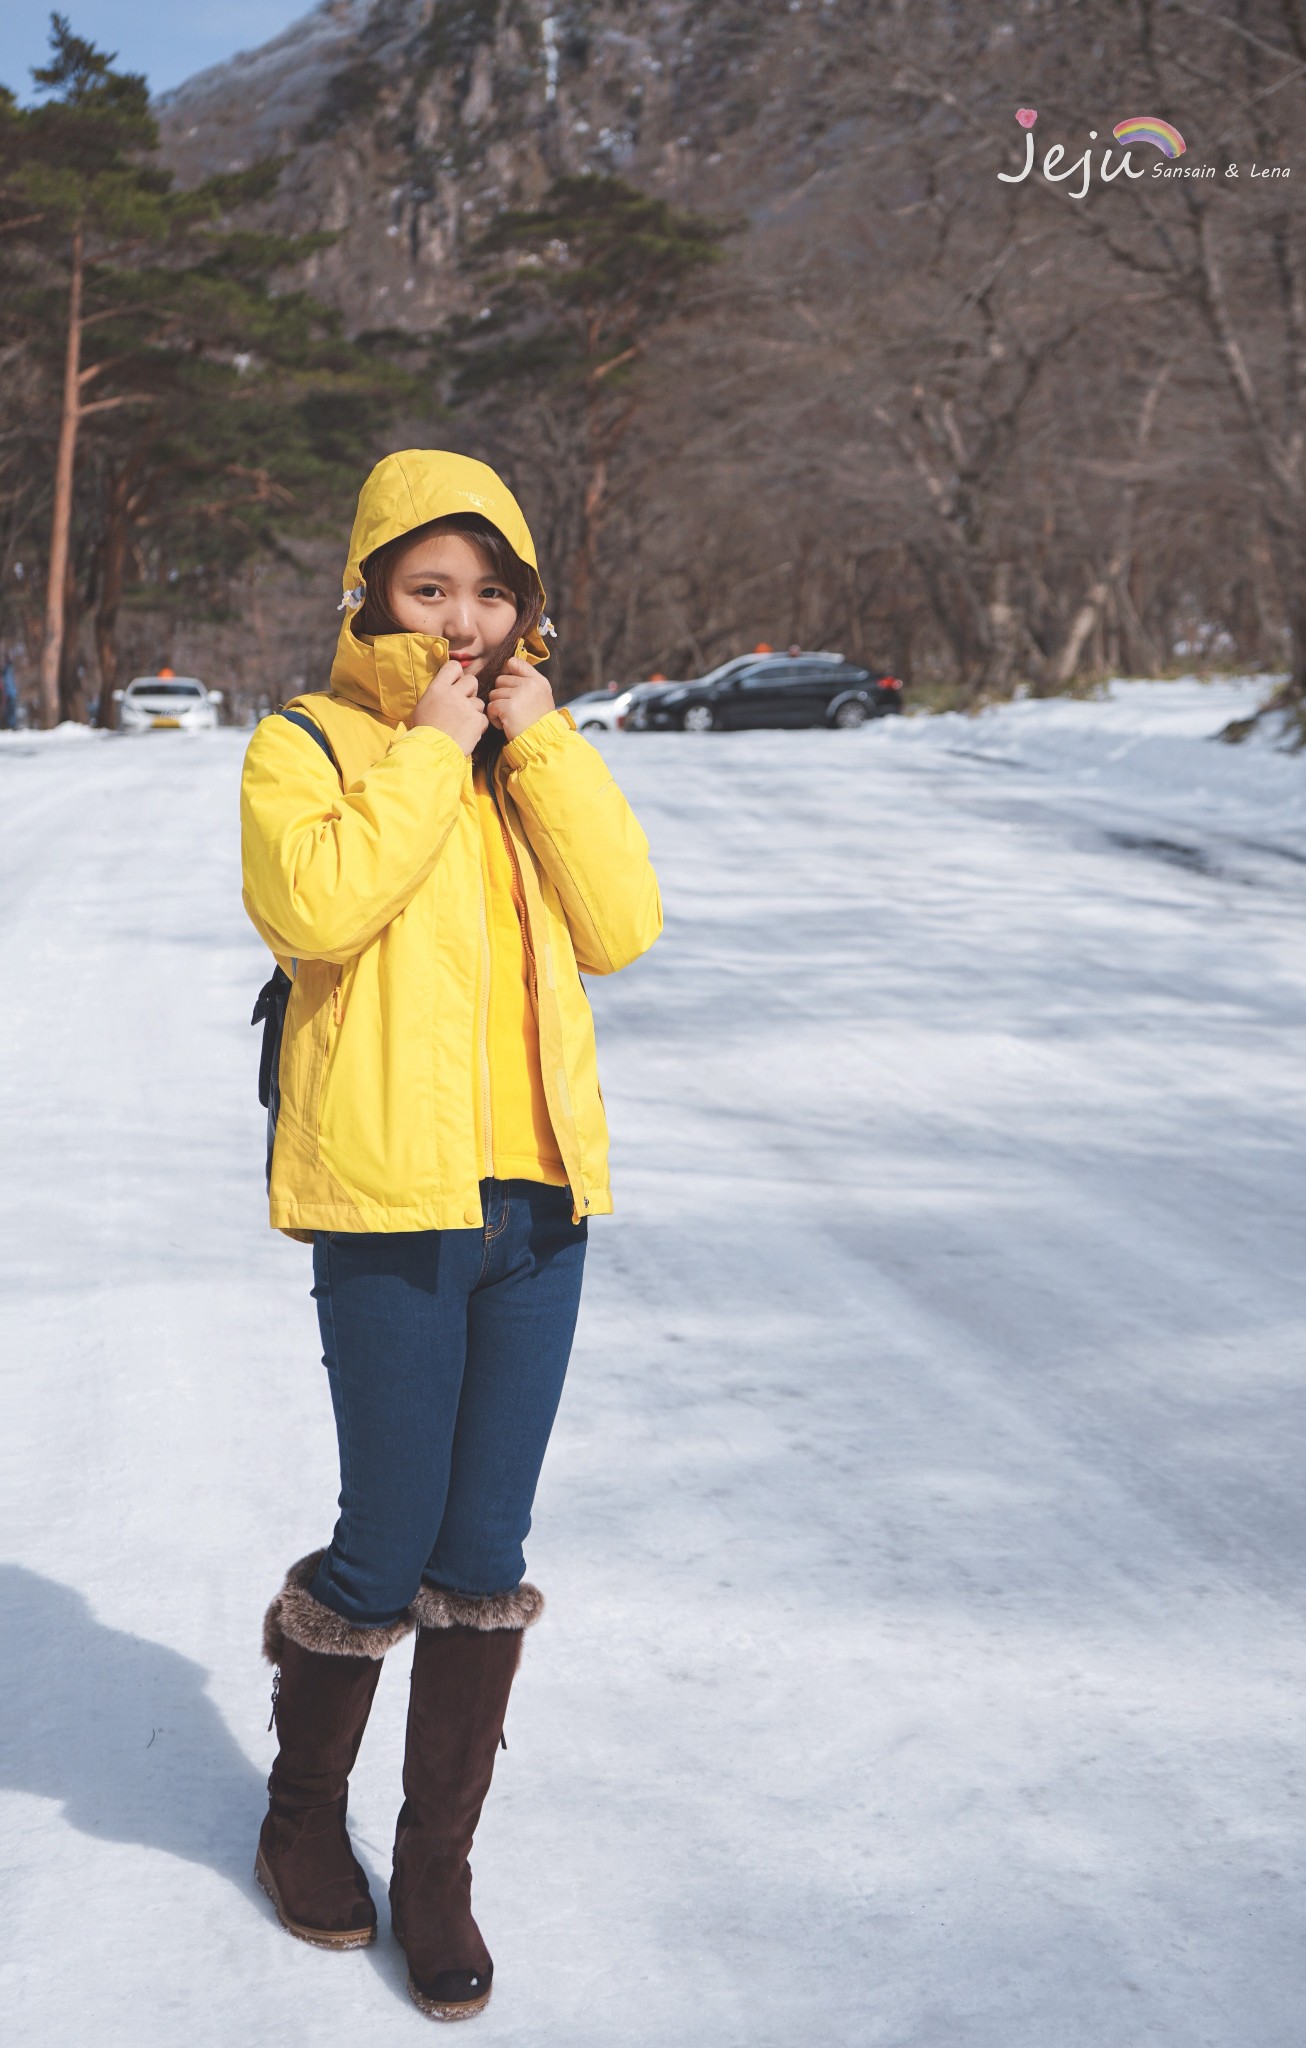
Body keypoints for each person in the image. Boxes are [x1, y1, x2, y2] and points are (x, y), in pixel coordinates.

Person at [239, 450, 662, 2020]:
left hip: (538, 1206)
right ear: (371, 596)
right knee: (388, 1536)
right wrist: (427, 745)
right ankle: (299, 1823)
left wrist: (538, 749)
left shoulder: (525, 752)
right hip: (390, 1207)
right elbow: (316, 913)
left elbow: (620, 927)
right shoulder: (309, 744)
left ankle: (434, 1869)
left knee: (485, 1556)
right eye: (430, 590)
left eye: (492, 593)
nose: (465, 623)